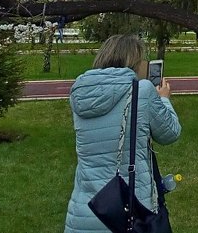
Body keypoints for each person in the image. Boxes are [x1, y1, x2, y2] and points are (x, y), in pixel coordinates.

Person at [64, 34, 181, 233]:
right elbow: (170, 133)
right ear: (134, 62)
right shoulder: (142, 90)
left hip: (87, 209)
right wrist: (163, 99)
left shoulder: (81, 92)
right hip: (129, 211)